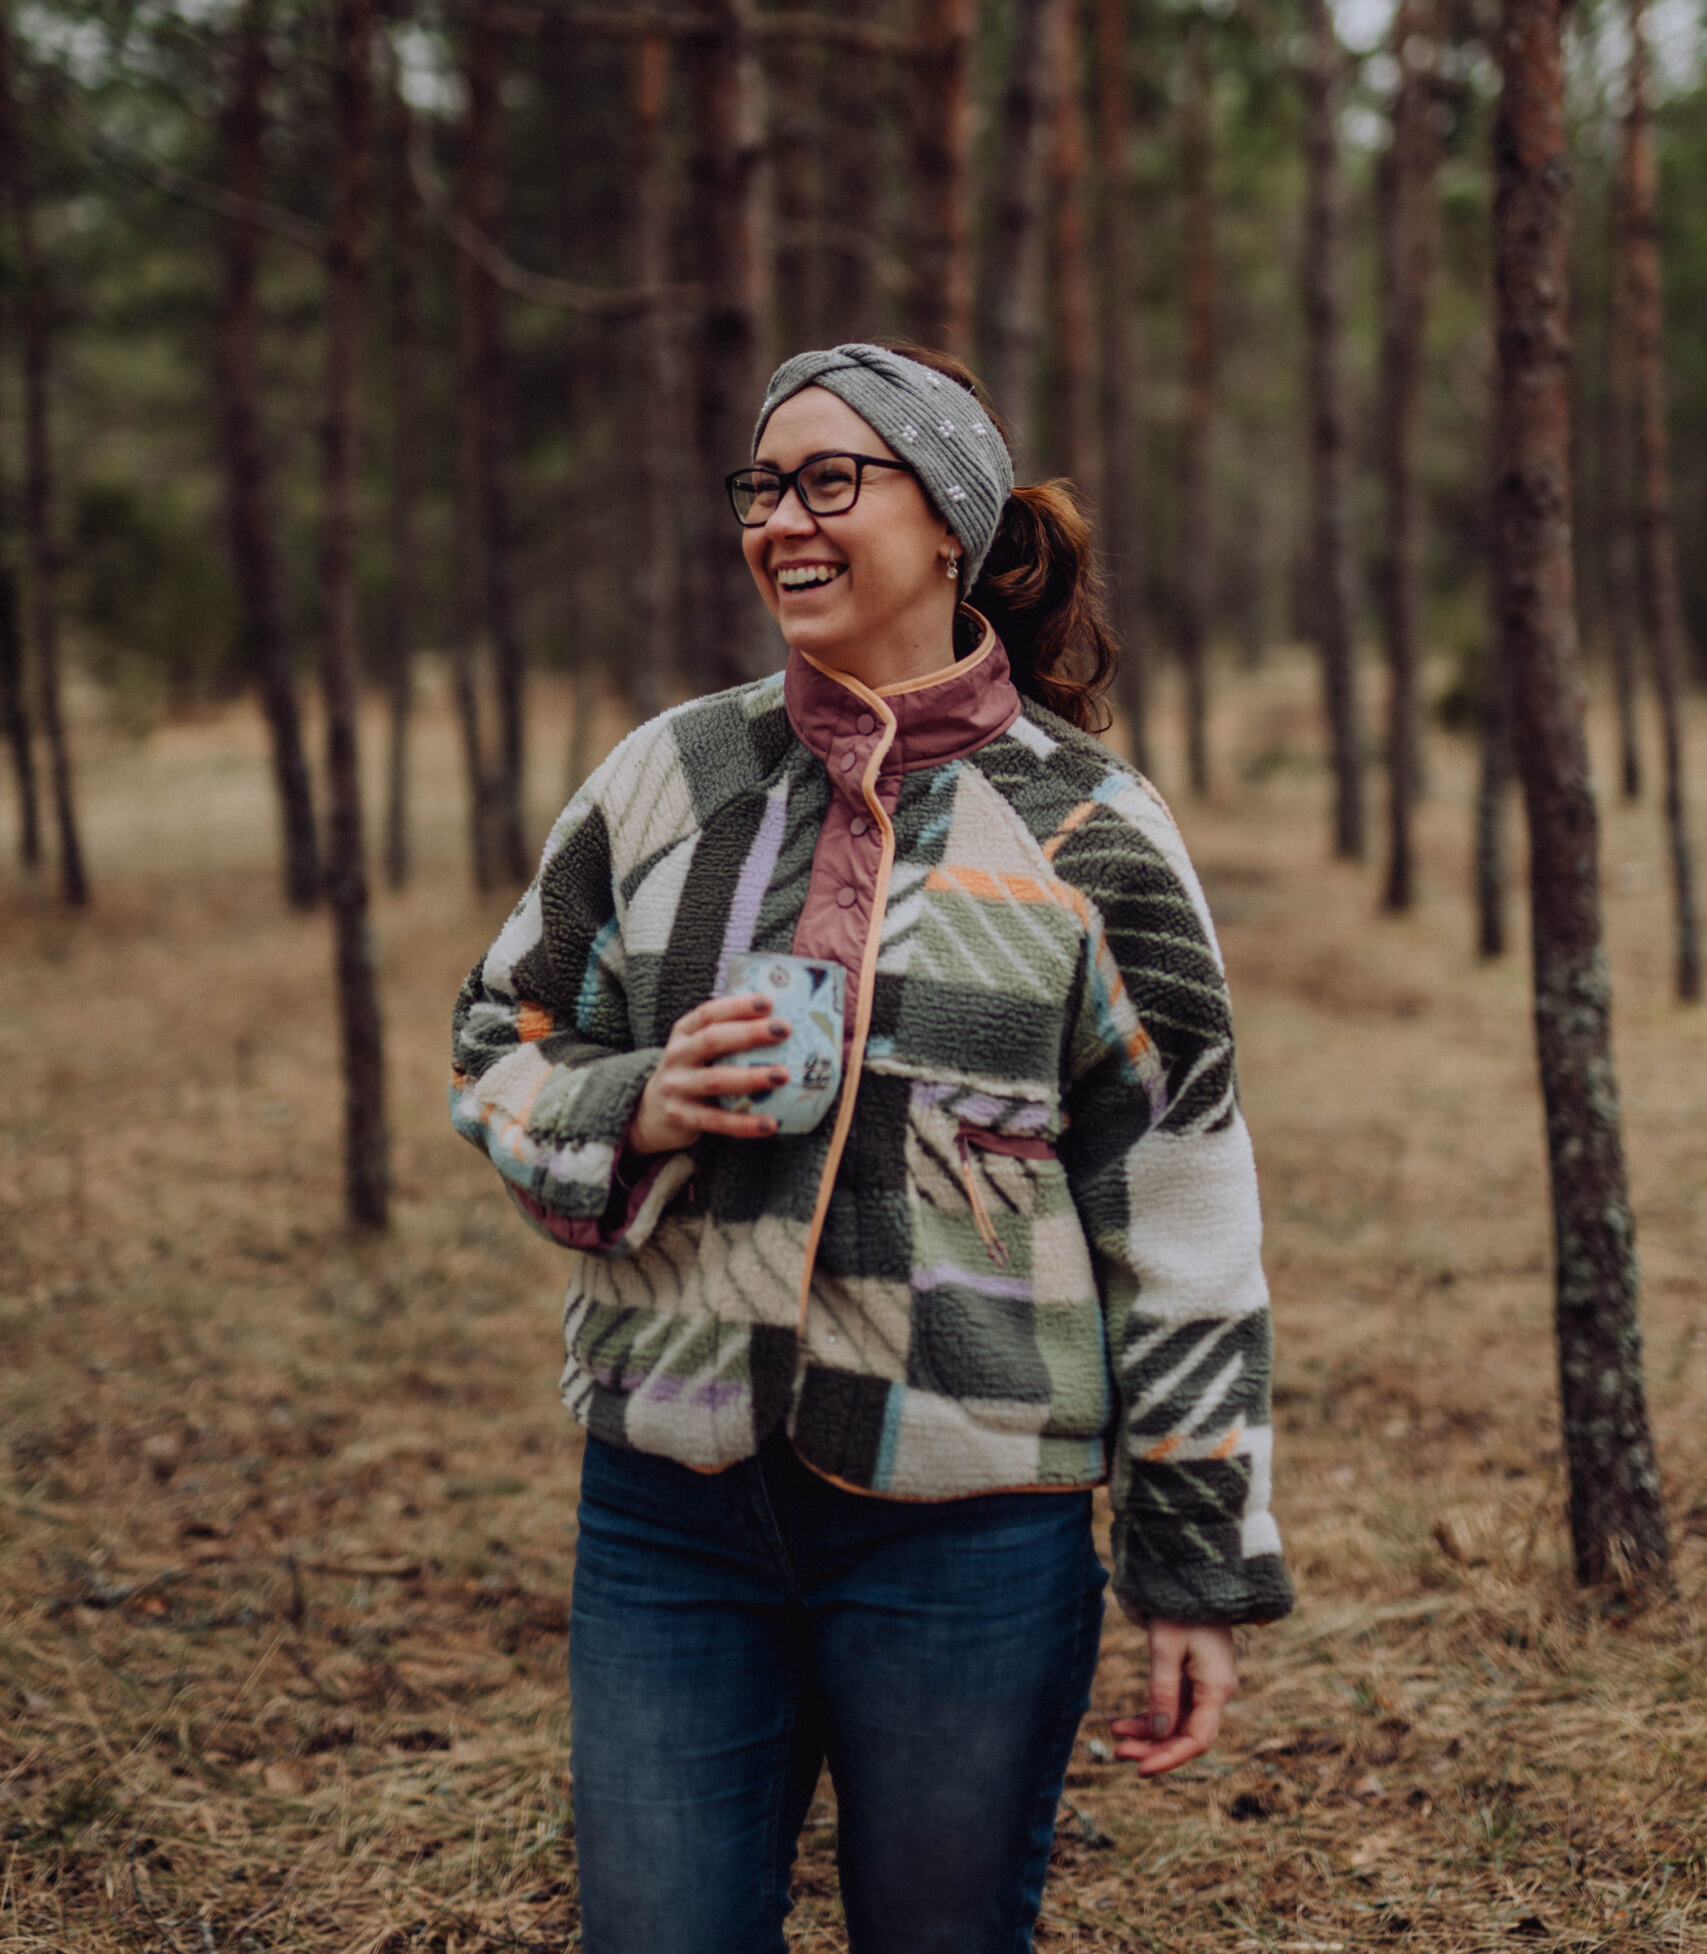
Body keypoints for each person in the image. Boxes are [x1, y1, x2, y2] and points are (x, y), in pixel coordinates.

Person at [450, 341, 1293, 1954]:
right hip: (667, 1505)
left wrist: (1194, 1555)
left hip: (970, 1526)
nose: (783, 519)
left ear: (950, 519)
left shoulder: (1091, 830)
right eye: (762, 487)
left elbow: (1183, 1198)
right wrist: (633, 1103)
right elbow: (501, 1039)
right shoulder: (669, 776)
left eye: (831, 478)